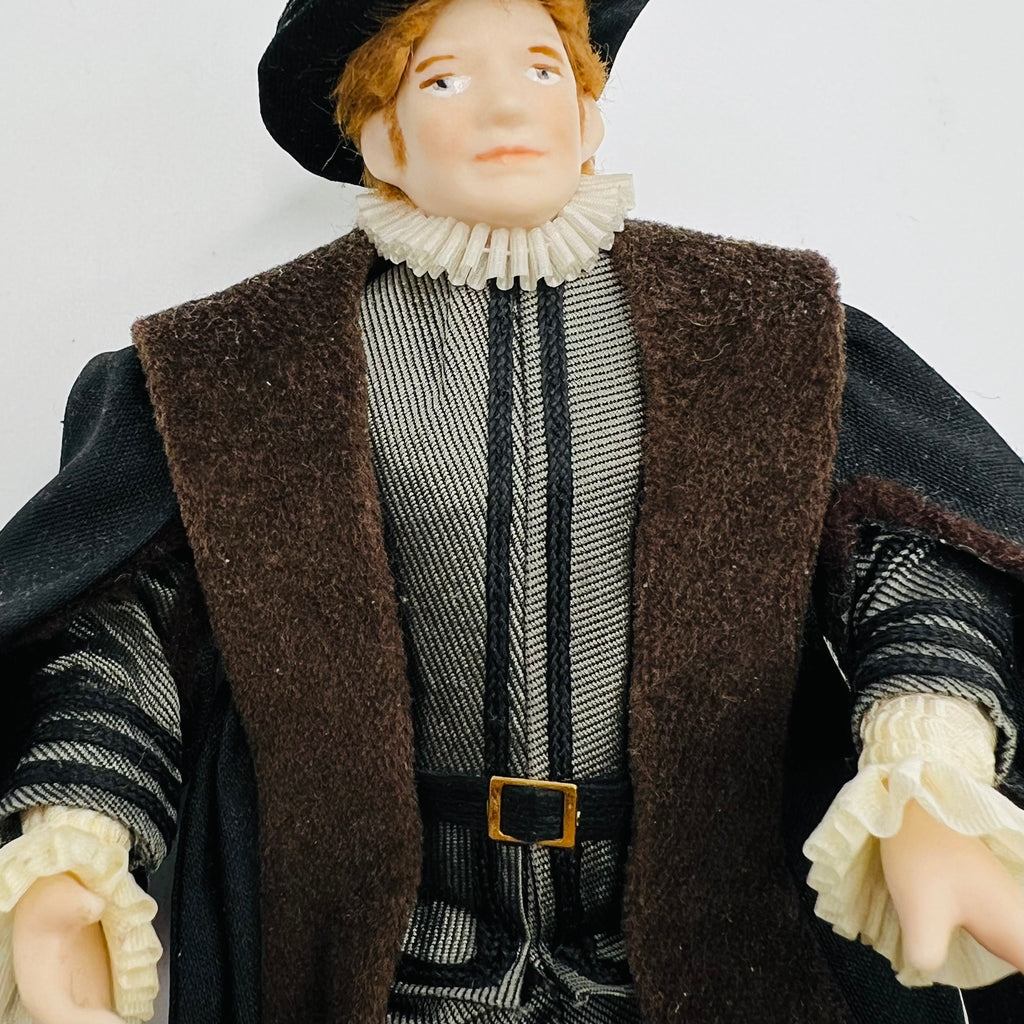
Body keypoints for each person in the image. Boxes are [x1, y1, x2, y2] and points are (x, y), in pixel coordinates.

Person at [0, 0, 1021, 1021]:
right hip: (391, 955)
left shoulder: (762, 328)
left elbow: (909, 550)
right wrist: (73, 844)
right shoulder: (239, 365)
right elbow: (128, 631)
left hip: (711, 929)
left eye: (542, 70)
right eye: (443, 80)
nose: (506, 107)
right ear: (379, 135)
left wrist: (927, 762)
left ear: (587, 114)